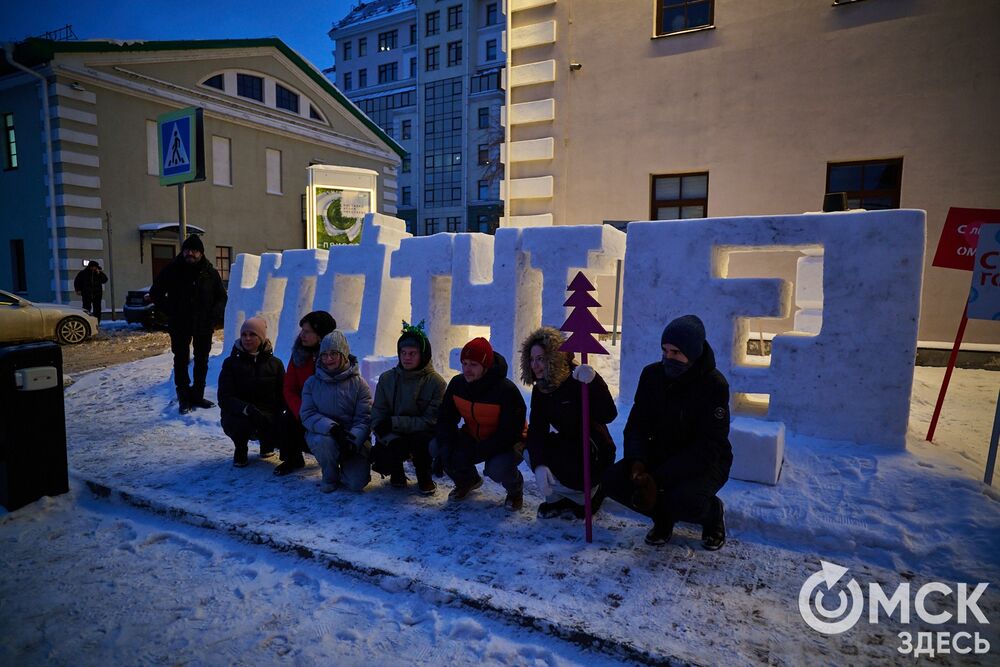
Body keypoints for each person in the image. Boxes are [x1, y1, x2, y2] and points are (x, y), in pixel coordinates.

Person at [602, 314, 732, 550]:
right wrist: (638, 464)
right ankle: (662, 518)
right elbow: (636, 424)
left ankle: (712, 514)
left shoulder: (714, 385)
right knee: (613, 480)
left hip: (704, 462)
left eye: (675, 352)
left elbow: (709, 445)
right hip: (658, 454)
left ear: (692, 354)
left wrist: (658, 479)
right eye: (665, 350)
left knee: (683, 499)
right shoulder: (652, 375)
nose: (668, 357)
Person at [519, 326, 617, 519]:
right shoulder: (541, 389)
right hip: (568, 443)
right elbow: (537, 429)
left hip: (594, 448)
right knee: (531, 451)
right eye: (531, 359)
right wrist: (539, 465)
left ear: (553, 358)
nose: (535, 365)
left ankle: (593, 492)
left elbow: (608, 414)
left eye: (540, 359)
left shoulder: (578, 377)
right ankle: (557, 499)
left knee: (572, 473)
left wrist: (595, 382)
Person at [435, 337, 527, 511]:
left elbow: (510, 433)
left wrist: (476, 452)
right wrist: (445, 447)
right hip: (474, 436)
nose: (467, 370)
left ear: (485, 367)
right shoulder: (457, 384)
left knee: (496, 468)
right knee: (439, 448)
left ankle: (515, 491)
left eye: (474, 365)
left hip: (509, 443)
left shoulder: (506, 390)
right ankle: (468, 481)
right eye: (465, 363)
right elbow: (446, 418)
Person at [147, 234, 227, 414]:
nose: (190, 253)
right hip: (179, 324)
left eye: (194, 250)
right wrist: (171, 311)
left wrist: (213, 316)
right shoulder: (172, 270)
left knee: (202, 360)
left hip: (203, 325)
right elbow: (155, 293)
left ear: (201, 253)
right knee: (181, 360)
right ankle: (184, 397)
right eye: (187, 250)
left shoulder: (210, 273)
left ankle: (198, 395)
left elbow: (222, 297)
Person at [370, 321, 447, 495]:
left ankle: (424, 475)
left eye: (413, 353)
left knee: (423, 441)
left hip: (420, 435)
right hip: (394, 434)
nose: (407, 357)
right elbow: (378, 414)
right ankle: (396, 472)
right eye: (403, 353)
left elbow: (430, 421)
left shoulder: (436, 383)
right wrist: (386, 434)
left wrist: (394, 422)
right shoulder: (387, 379)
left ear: (423, 354)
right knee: (383, 454)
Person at [299, 331, 373, 493]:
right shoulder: (312, 383)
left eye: (334, 354)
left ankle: (347, 469)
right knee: (323, 442)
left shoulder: (359, 384)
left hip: (352, 439)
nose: (328, 359)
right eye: (324, 355)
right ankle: (330, 473)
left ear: (344, 355)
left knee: (356, 483)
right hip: (325, 435)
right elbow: (308, 414)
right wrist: (332, 428)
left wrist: (352, 441)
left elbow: (364, 418)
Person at [274, 311, 338, 477]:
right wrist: (301, 410)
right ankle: (292, 458)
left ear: (321, 335)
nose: (302, 335)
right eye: (302, 330)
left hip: (328, 410)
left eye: (307, 331)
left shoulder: (334, 357)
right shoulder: (299, 355)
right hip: (304, 409)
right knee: (285, 415)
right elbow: (289, 388)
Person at [217, 316, 286, 468]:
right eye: (244, 334)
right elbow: (224, 397)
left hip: (267, 412)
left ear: (261, 337)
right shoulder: (231, 364)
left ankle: (267, 444)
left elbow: (283, 393)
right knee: (239, 423)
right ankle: (240, 448)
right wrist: (246, 409)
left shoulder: (275, 364)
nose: (247, 338)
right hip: (240, 413)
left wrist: (279, 413)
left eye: (253, 334)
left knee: (281, 422)